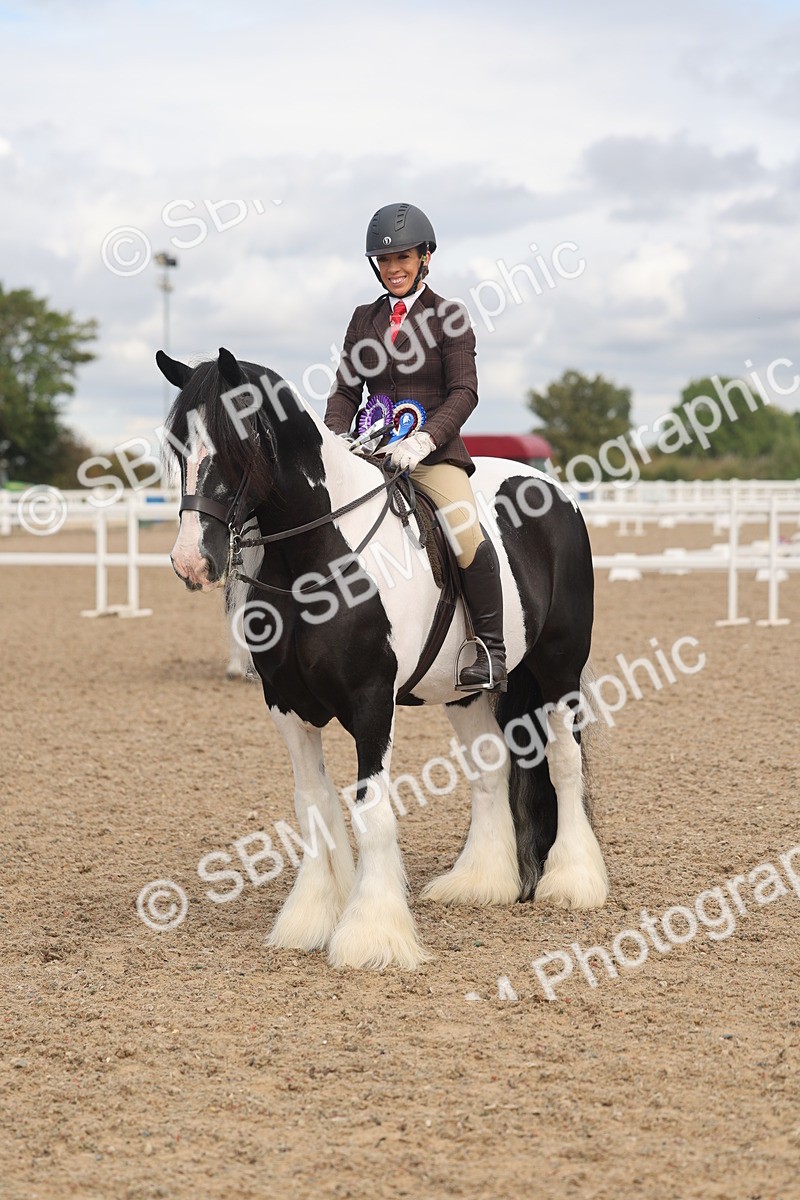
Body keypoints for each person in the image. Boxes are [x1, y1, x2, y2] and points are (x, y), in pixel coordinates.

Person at [324, 202, 507, 692]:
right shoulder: (364, 319)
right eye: (385, 261)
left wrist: (425, 438)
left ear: (426, 257)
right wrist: (336, 439)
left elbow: (464, 391)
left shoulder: (449, 316)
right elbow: (345, 390)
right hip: (370, 454)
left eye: (404, 257)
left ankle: (490, 648)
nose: (394, 269)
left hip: (432, 458)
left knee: (465, 532)